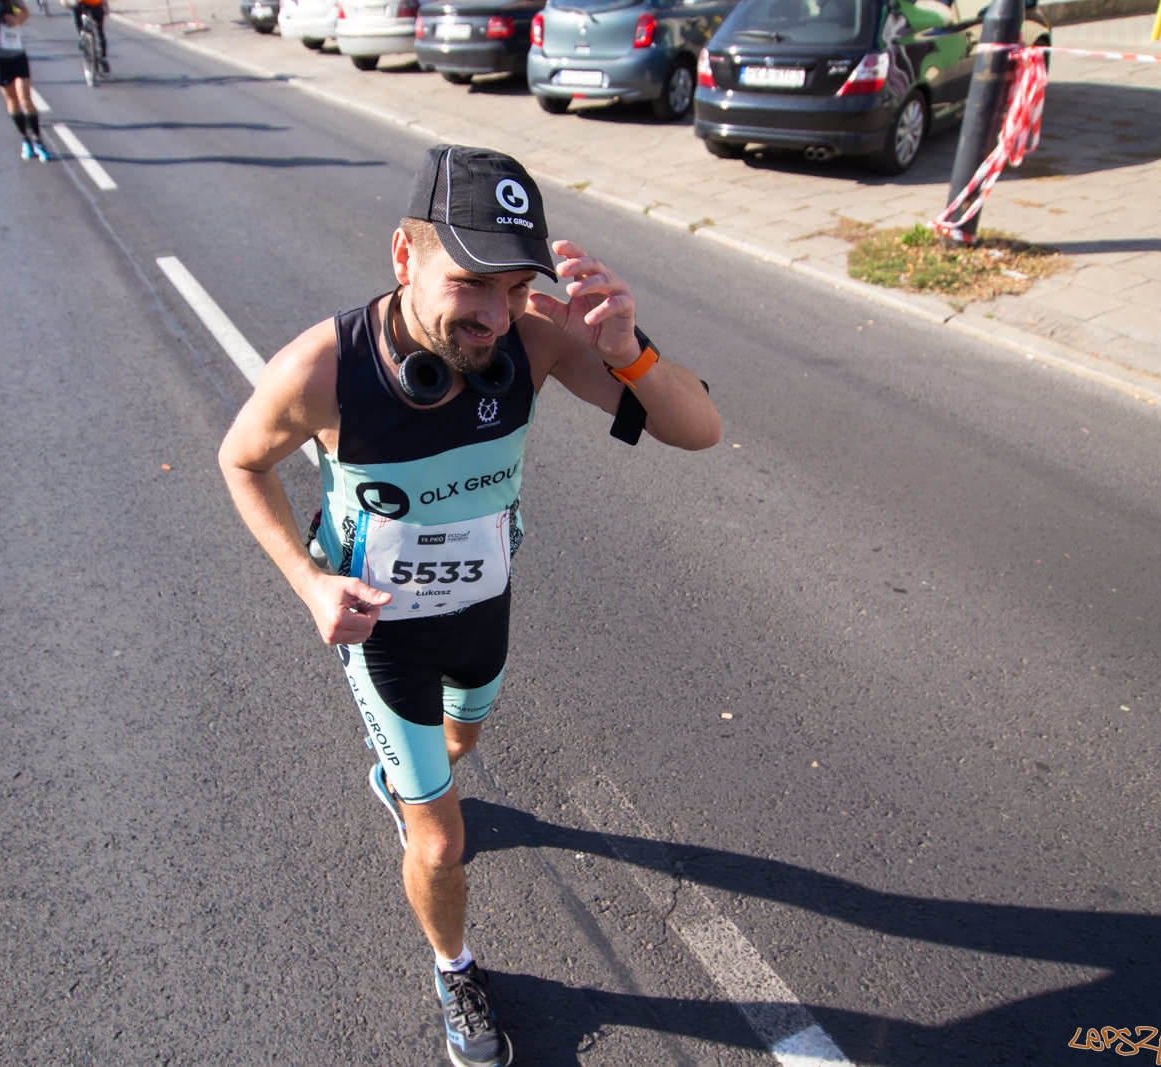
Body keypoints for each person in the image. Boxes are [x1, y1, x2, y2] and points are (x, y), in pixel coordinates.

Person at [217, 144, 720, 1067]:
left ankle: (412, 778)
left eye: (515, 284)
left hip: (482, 607)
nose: (493, 314)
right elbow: (240, 460)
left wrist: (626, 351)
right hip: (382, 633)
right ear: (404, 259)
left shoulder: (534, 339)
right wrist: (310, 580)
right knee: (442, 836)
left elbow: (700, 430)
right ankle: (455, 965)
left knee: (464, 743)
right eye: (469, 283)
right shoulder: (323, 369)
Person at [0, 0, 50, 161]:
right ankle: (25, 139)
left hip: (16, 51)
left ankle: (38, 140)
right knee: (11, 98)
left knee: (25, 98)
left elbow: (24, 12)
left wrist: (16, 20)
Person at [71, 0, 108, 72]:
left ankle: (81, 34)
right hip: (97, 7)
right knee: (100, 32)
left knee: (76, 11)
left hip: (82, 6)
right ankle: (103, 58)